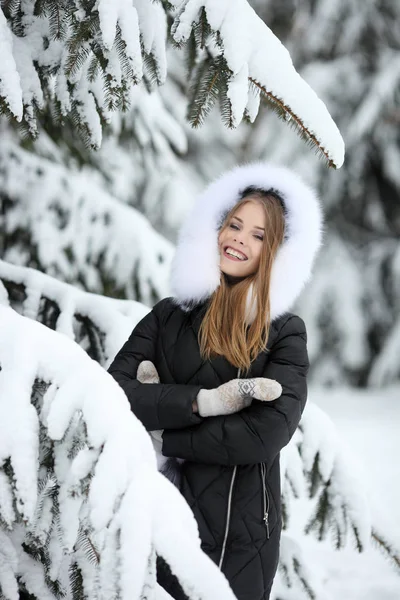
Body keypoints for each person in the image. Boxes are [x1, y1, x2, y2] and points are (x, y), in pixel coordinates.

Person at [108, 162, 322, 600]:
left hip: (240, 535)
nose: (240, 239)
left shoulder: (284, 331)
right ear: (214, 227)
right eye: (234, 224)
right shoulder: (168, 315)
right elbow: (113, 393)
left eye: (259, 235)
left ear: (275, 252)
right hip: (157, 514)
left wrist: (166, 435)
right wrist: (202, 403)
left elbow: (267, 432)